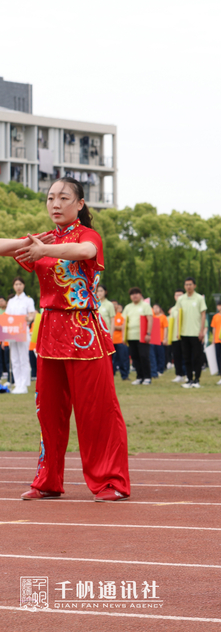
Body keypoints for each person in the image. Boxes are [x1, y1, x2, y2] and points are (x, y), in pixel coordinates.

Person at [4, 176, 130, 502]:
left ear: (80, 203)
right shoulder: (42, 238)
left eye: (63, 198)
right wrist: (37, 245)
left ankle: (109, 481)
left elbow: (84, 251)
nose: (55, 204)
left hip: (85, 333)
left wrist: (45, 249)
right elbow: (7, 245)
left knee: (96, 412)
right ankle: (48, 480)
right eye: (50, 198)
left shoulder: (88, 236)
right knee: (48, 411)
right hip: (49, 333)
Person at [7, 276, 36, 394]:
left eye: (20, 284)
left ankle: (24, 384)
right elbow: (7, 317)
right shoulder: (11, 301)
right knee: (14, 359)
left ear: (23, 285)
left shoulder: (28, 300)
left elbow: (32, 315)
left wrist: (27, 318)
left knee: (24, 358)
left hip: (23, 331)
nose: (18, 286)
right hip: (12, 332)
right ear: (13, 286)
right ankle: (17, 383)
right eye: (16, 284)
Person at [176, 277, 207, 389]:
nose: (188, 286)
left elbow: (203, 314)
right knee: (187, 357)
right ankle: (189, 379)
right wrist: (178, 330)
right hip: (184, 333)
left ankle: (196, 380)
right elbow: (179, 315)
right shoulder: (181, 299)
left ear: (194, 285)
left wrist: (201, 330)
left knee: (197, 357)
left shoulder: (199, 298)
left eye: (190, 284)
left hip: (196, 333)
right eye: (186, 284)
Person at [122, 287, 153, 386]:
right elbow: (124, 322)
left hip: (142, 336)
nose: (134, 295)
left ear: (140, 294)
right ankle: (139, 377)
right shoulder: (128, 307)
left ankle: (147, 377)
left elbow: (150, 320)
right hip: (131, 336)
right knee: (135, 357)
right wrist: (124, 336)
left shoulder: (145, 306)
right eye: (132, 294)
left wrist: (148, 333)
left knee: (144, 356)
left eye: (136, 293)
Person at [168, 289, 186, 382]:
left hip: (185, 335)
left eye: (180, 295)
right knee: (177, 356)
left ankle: (187, 373)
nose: (178, 297)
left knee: (186, 356)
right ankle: (179, 374)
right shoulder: (173, 309)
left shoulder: (187, 307)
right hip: (175, 336)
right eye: (176, 295)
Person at [110, 301, 130, 381]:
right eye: (112, 304)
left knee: (123, 359)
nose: (114, 306)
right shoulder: (109, 316)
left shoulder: (121, 316)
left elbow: (124, 326)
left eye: (115, 304)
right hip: (110, 341)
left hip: (120, 341)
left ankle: (124, 375)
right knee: (112, 360)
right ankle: (111, 375)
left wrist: (113, 326)